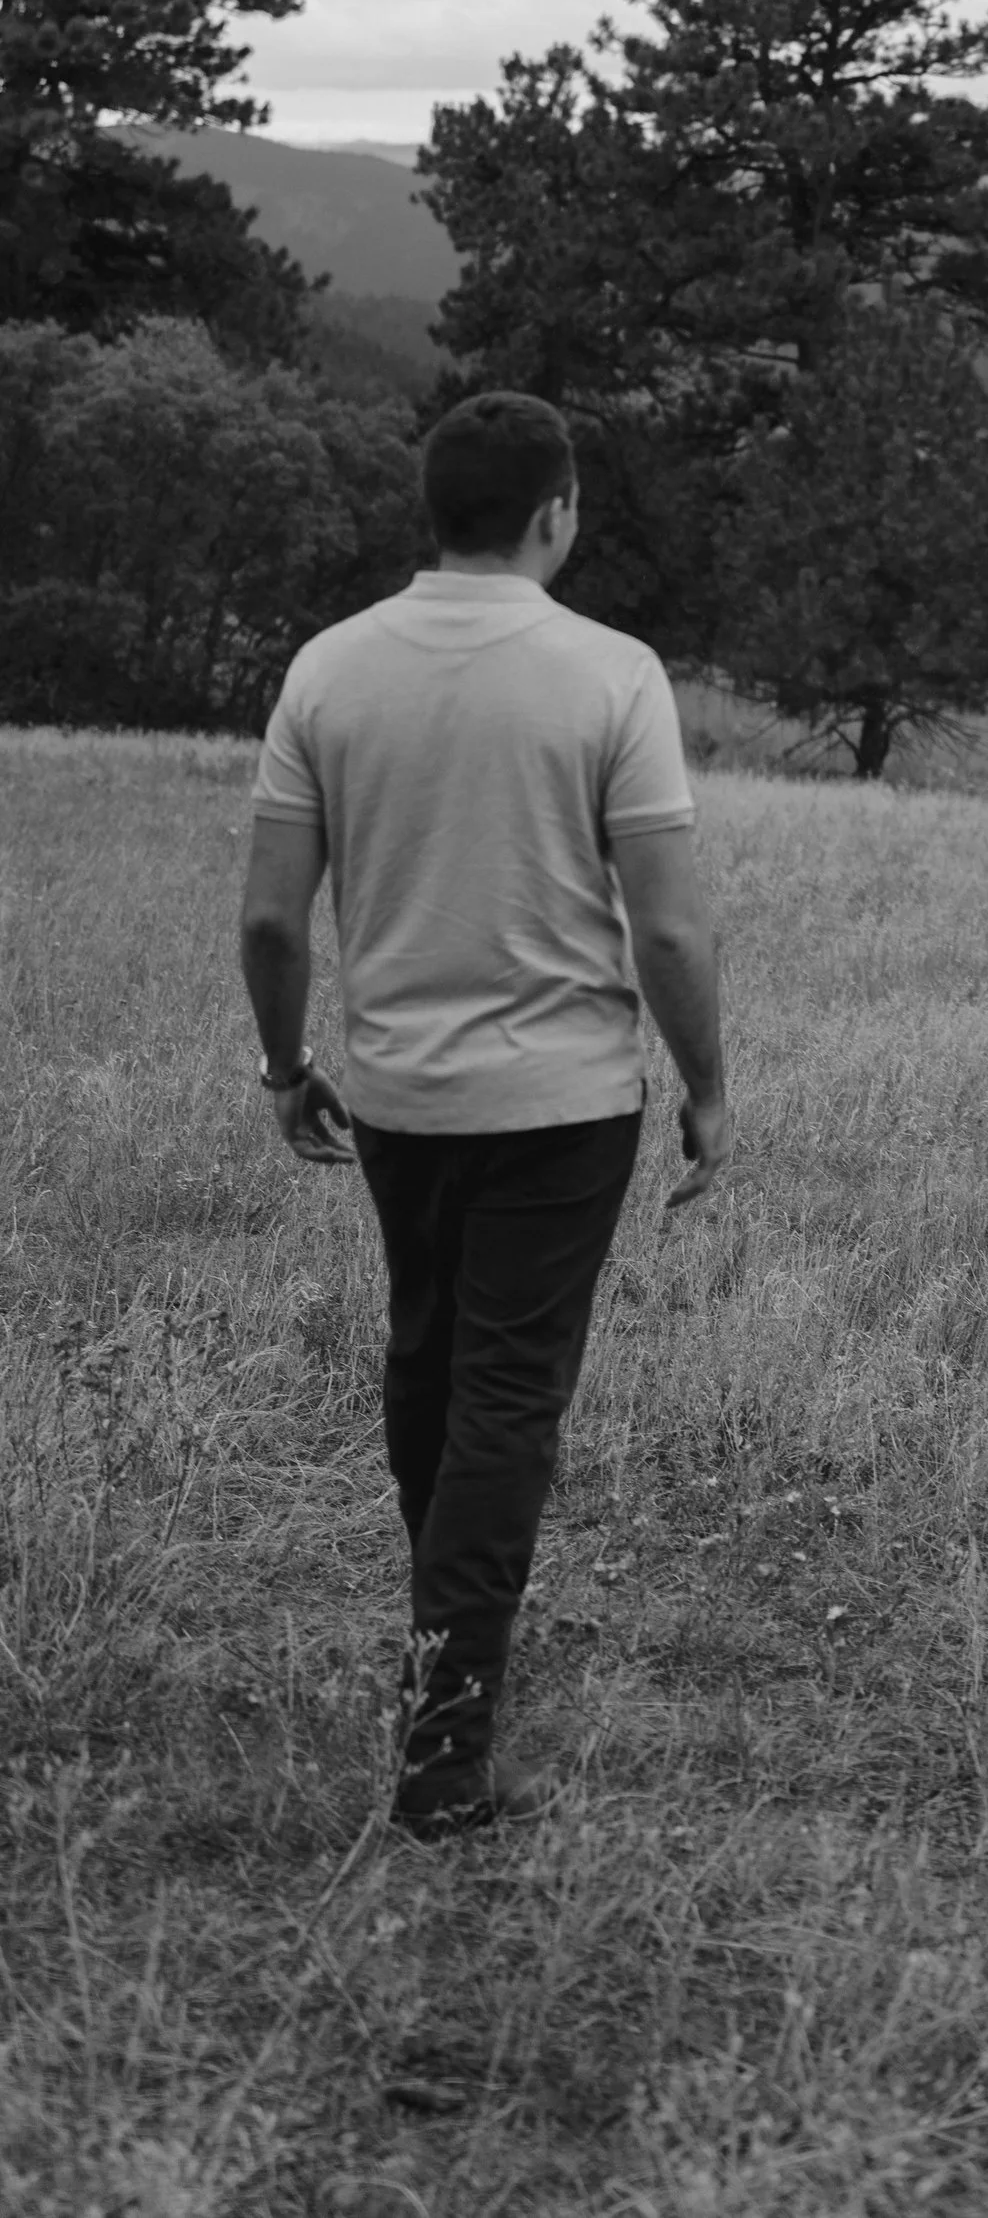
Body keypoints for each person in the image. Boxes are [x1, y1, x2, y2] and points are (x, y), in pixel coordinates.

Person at [236, 388, 729, 1837]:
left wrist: (284, 1067)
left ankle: (446, 1624)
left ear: (433, 508)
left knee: (429, 1360)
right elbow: (669, 930)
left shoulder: (328, 669)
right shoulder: (612, 676)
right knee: (506, 1395)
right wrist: (707, 1086)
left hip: (398, 1095)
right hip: (567, 1104)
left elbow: (270, 918)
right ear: (555, 513)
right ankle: (445, 1745)